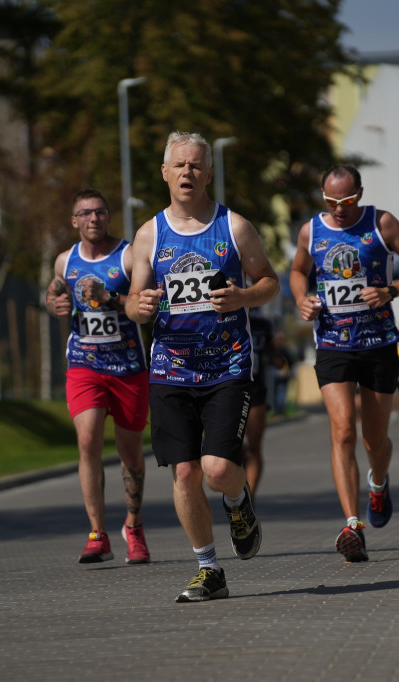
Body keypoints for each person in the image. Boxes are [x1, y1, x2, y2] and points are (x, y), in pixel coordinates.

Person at [126, 131, 280, 602]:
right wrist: (142, 305)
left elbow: (270, 282)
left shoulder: (234, 227)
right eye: (180, 165)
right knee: (185, 474)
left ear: (209, 173)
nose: (188, 173)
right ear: (165, 173)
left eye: (196, 166)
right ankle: (208, 568)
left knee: (216, 469)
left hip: (226, 367)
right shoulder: (150, 234)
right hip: (170, 367)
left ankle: (238, 501)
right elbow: (132, 301)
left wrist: (243, 296)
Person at [289, 165, 399, 563]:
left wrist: (390, 290)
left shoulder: (381, 223)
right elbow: (298, 271)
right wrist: (301, 298)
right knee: (342, 432)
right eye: (331, 202)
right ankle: (352, 524)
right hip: (333, 343)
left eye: (347, 201)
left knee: (375, 440)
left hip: (378, 342)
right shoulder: (310, 231)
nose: (339, 210)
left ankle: (379, 481)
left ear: (360, 194)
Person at [45, 189, 151, 565]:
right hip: (84, 365)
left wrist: (110, 297)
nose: (93, 219)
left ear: (109, 217)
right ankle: (97, 534)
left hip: (128, 368)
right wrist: (53, 301)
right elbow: (56, 291)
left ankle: (133, 528)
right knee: (88, 441)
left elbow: (144, 309)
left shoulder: (126, 257)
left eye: (100, 212)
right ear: (74, 221)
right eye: (85, 213)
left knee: (130, 453)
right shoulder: (65, 261)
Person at [243, 311, 275, 495]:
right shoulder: (219, 316)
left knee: (255, 447)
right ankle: (238, 486)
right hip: (228, 389)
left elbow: (271, 351)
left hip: (256, 389)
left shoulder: (263, 325)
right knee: (233, 448)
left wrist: (277, 357)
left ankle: (250, 497)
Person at [270, 331, 295, 416]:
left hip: (275, 372)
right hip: (284, 372)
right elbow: (290, 360)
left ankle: (276, 411)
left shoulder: (274, 349)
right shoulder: (284, 349)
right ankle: (281, 411)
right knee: (282, 392)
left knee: (276, 392)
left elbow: (270, 360)